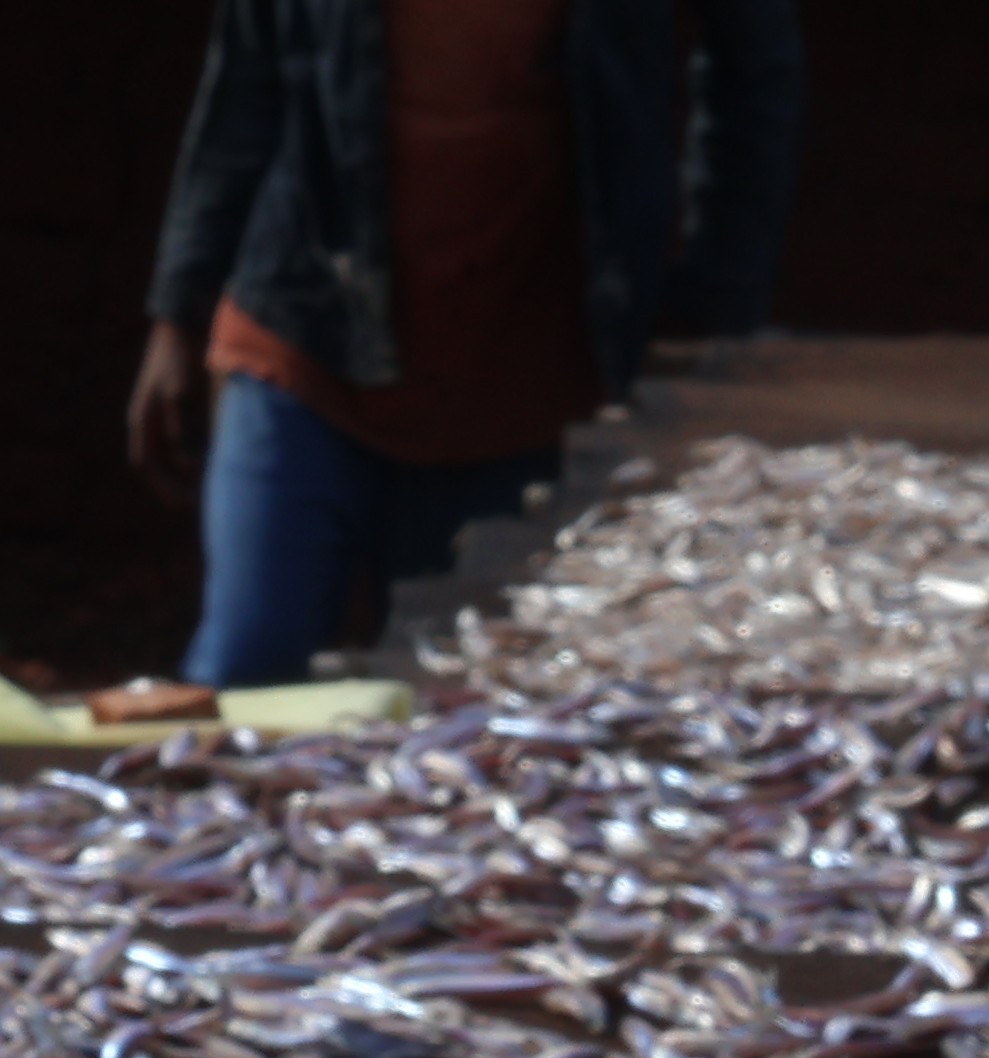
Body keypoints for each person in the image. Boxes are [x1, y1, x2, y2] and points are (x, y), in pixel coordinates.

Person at [131, 0, 804, 695]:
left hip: (518, 383)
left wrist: (716, 296)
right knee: (245, 674)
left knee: (457, 703)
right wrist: (177, 315)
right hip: (307, 339)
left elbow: (754, 69)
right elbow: (247, 74)